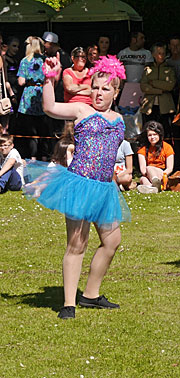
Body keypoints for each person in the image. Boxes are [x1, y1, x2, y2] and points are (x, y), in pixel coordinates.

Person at [23, 55, 130, 319]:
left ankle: (90, 295)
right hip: (80, 185)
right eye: (95, 87)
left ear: (116, 92)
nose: (98, 93)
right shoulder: (82, 110)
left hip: (104, 189)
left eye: (105, 88)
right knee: (77, 244)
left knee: (112, 241)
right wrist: (50, 79)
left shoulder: (119, 119)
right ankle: (69, 303)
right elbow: (49, 107)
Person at [17, 36, 49, 160]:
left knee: (30, 129)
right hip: (42, 92)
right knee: (42, 127)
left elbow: (21, 81)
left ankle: (32, 156)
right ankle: (44, 155)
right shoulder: (45, 60)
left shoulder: (25, 61)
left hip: (29, 95)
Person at [140, 43, 176, 132]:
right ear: (153, 55)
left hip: (165, 105)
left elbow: (170, 85)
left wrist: (153, 83)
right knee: (149, 129)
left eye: (163, 53)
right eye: (159, 53)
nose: (162, 56)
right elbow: (143, 86)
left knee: (165, 130)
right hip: (149, 106)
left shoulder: (170, 69)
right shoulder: (147, 69)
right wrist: (160, 90)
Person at [117, 31, 153, 111]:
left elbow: (150, 71)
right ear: (134, 39)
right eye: (141, 38)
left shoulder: (147, 54)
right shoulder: (122, 53)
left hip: (142, 87)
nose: (144, 40)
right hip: (126, 89)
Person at [136, 121, 174, 194]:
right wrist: (150, 175)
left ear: (159, 135)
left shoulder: (167, 147)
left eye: (155, 134)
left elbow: (170, 168)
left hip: (162, 173)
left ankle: (155, 183)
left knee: (149, 168)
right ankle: (153, 187)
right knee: (142, 178)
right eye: (150, 135)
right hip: (148, 174)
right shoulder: (142, 149)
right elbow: (143, 170)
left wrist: (160, 176)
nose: (152, 137)